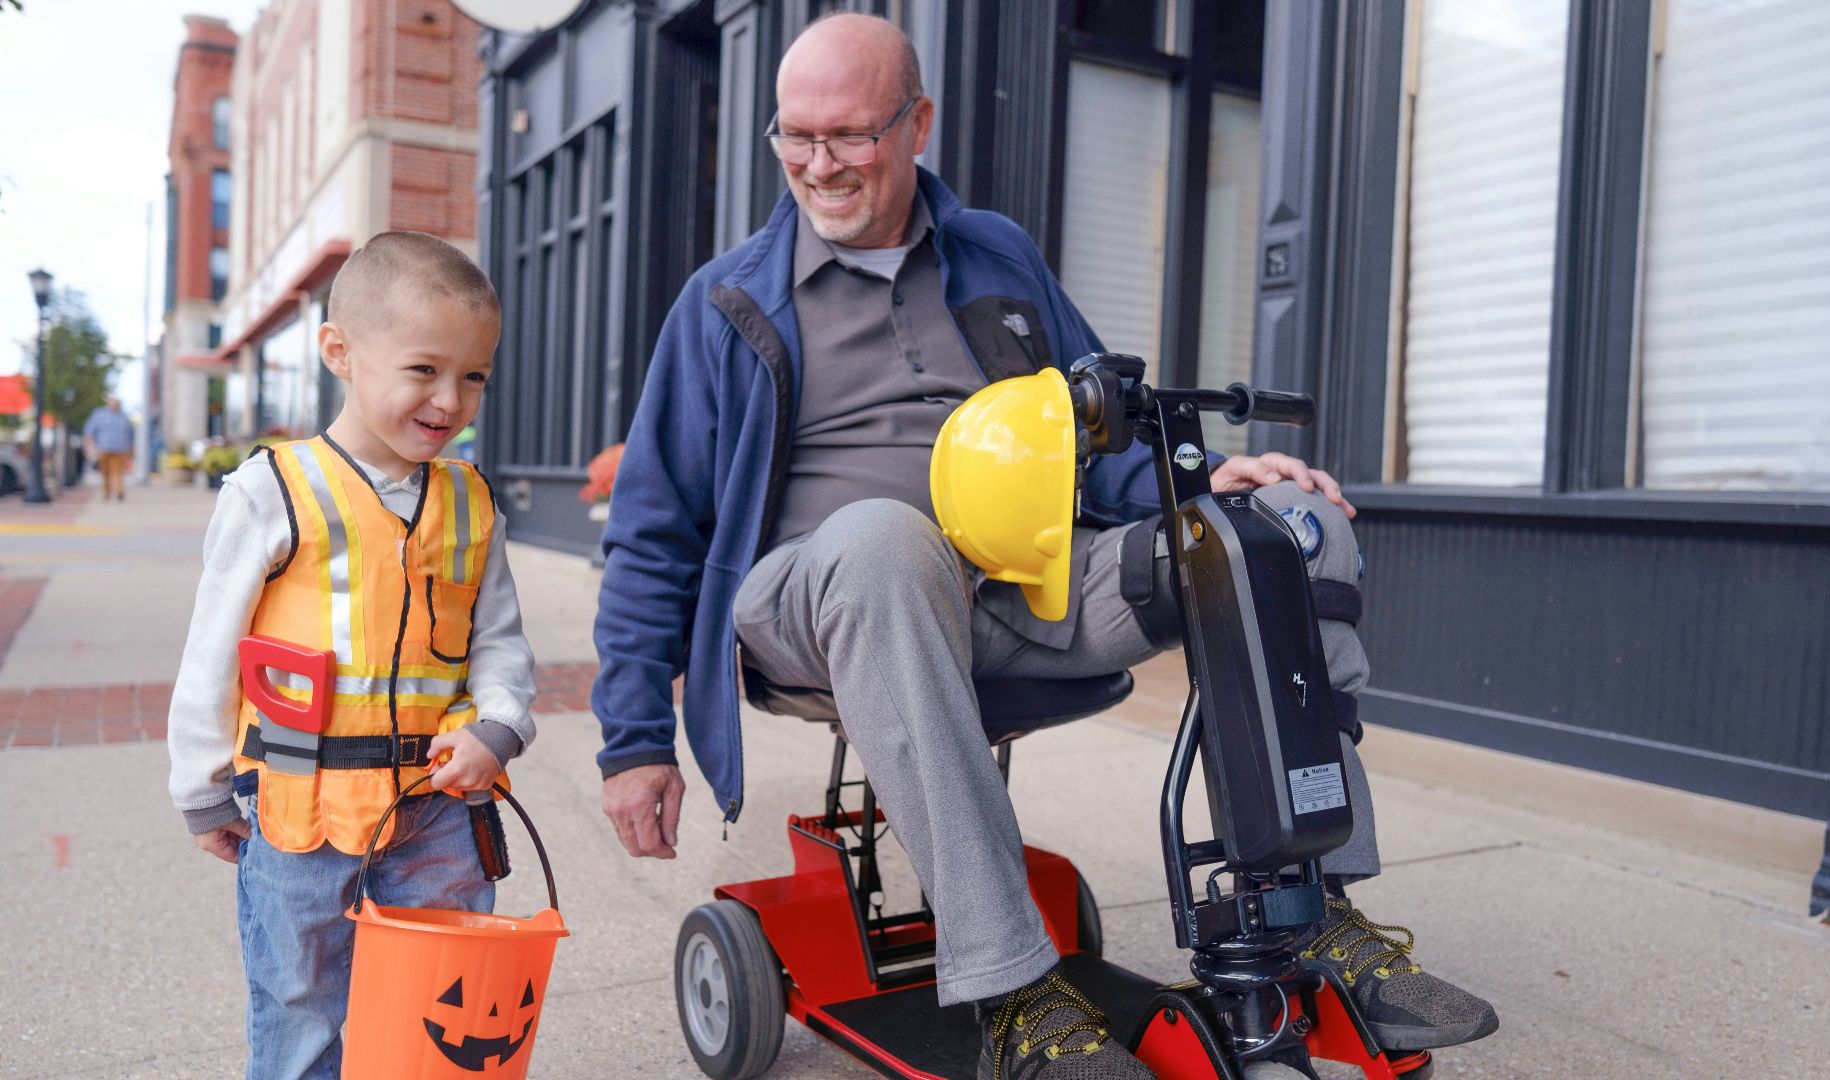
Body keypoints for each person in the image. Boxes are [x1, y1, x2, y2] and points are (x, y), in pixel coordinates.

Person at [593, 15, 1497, 1077]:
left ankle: (1311, 911)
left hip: (1021, 583)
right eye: (795, 137)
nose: (818, 165)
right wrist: (634, 742)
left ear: (917, 122)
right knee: (887, 542)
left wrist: (1204, 489)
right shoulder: (726, 302)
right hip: (818, 603)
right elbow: (655, 531)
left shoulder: (995, 255)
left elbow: (1090, 436)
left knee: (1285, 538)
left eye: (849, 136)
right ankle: (1016, 992)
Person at [165, 231, 538, 1079]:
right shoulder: (272, 490)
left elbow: (501, 644)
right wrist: (200, 788)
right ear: (339, 350)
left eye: (474, 374)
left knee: (436, 1011)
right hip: (301, 812)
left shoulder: (472, 503)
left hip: (440, 806)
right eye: (424, 369)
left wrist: (500, 727)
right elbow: (211, 652)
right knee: (303, 1009)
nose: (452, 398)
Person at [82, 394, 135, 501]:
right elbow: (90, 431)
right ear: (108, 402)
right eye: (112, 402)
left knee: (118, 472)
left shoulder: (124, 416)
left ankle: (120, 491)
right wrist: (88, 446)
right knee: (105, 472)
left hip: (120, 449)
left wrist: (131, 448)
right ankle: (106, 492)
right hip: (104, 448)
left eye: (116, 402)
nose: (114, 404)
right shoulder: (99, 415)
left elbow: (130, 434)